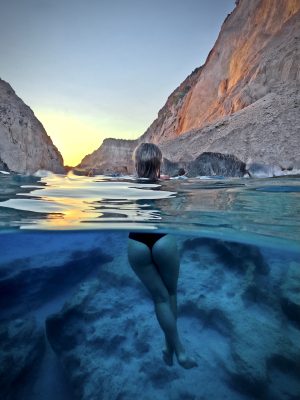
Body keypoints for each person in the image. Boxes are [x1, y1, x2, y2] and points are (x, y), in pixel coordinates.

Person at [128, 142, 197, 369]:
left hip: (136, 243)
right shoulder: (165, 183)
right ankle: (175, 349)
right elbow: (183, 201)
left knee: (159, 298)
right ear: (159, 162)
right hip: (162, 239)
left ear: (136, 162)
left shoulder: (129, 183)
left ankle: (174, 348)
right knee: (171, 294)